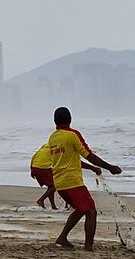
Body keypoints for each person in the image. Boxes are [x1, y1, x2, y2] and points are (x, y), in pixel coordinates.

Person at [48, 107, 121, 250]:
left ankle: (62, 238)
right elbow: (89, 155)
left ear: (55, 121)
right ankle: (88, 247)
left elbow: (69, 159)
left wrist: (92, 169)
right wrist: (110, 167)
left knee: (81, 209)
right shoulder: (72, 135)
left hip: (59, 182)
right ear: (70, 119)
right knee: (91, 211)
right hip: (72, 181)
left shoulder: (53, 137)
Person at [30, 141, 101, 209]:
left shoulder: (47, 146)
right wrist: (92, 168)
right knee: (54, 186)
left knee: (51, 186)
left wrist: (31, 169)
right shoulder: (63, 148)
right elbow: (78, 162)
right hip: (43, 167)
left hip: (35, 166)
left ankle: (53, 206)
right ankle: (41, 200)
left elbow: (34, 156)